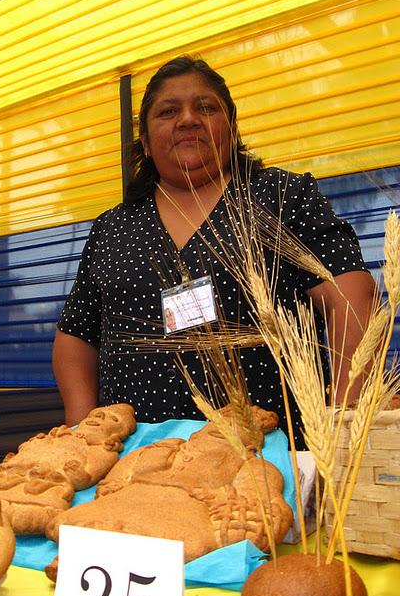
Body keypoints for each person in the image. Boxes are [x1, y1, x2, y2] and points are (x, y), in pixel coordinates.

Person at [52, 56, 376, 447]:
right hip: (130, 463)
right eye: (168, 111)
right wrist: (81, 436)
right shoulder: (112, 228)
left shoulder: (280, 196)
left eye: (205, 107)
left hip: (267, 459)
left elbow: (351, 296)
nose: (187, 119)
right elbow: (75, 336)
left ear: (233, 129)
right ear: (146, 144)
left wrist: (345, 426)